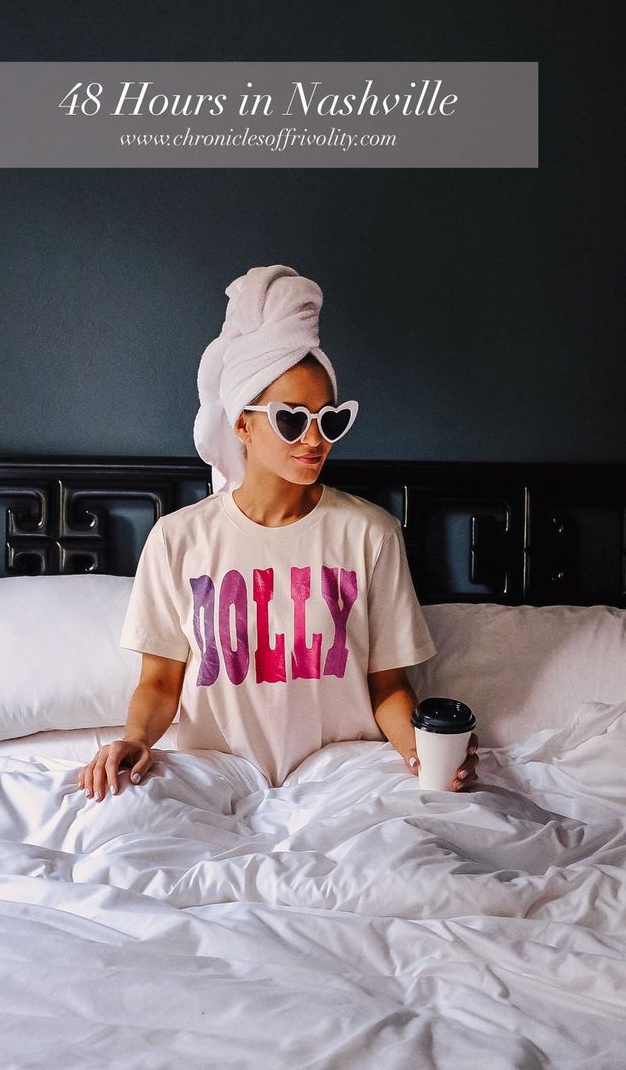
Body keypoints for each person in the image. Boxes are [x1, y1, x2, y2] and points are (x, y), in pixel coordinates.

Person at [78, 265, 479, 801]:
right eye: (292, 419)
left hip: (343, 775)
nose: (316, 439)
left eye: (329, 420)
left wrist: (420, 755)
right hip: (215, 776)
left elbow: (388, 686)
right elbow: (159, 681)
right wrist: (133, 740)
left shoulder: (371, 535)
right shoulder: (178, 540)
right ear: (242, 423)